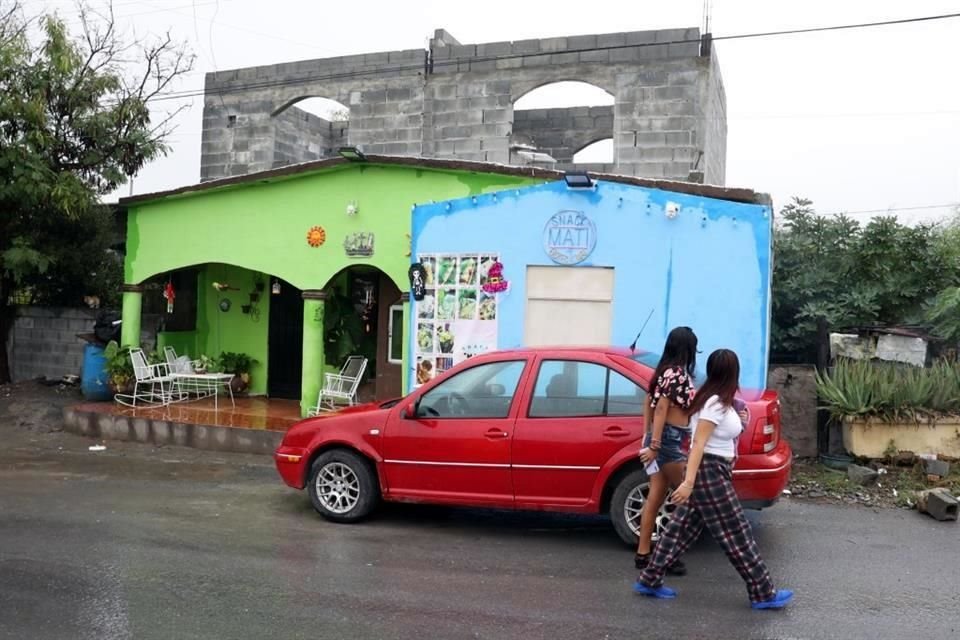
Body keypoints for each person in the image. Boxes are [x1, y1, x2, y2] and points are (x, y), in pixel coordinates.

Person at [633, 349, 794, 610]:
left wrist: (739, 423)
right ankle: (763, 592)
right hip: (709, 472)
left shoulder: (715, 399)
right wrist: (687, 483)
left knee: (681, 529)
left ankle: (649, 579)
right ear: (733, 373)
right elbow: (698, 444)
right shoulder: (714, 403)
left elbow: (718, 435)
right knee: (736, 532)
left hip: (711, 470)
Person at [635, 326, 699, 575]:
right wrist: (654, 445)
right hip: (670, 441)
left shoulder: (661, 372)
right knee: (687, 499)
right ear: (687, 348)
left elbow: (648, 402)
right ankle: (668, 555)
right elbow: (661, 407)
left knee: (656, 497)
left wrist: (647, 435)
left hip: (662, 437)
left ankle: (643, 554)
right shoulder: (677, 374)